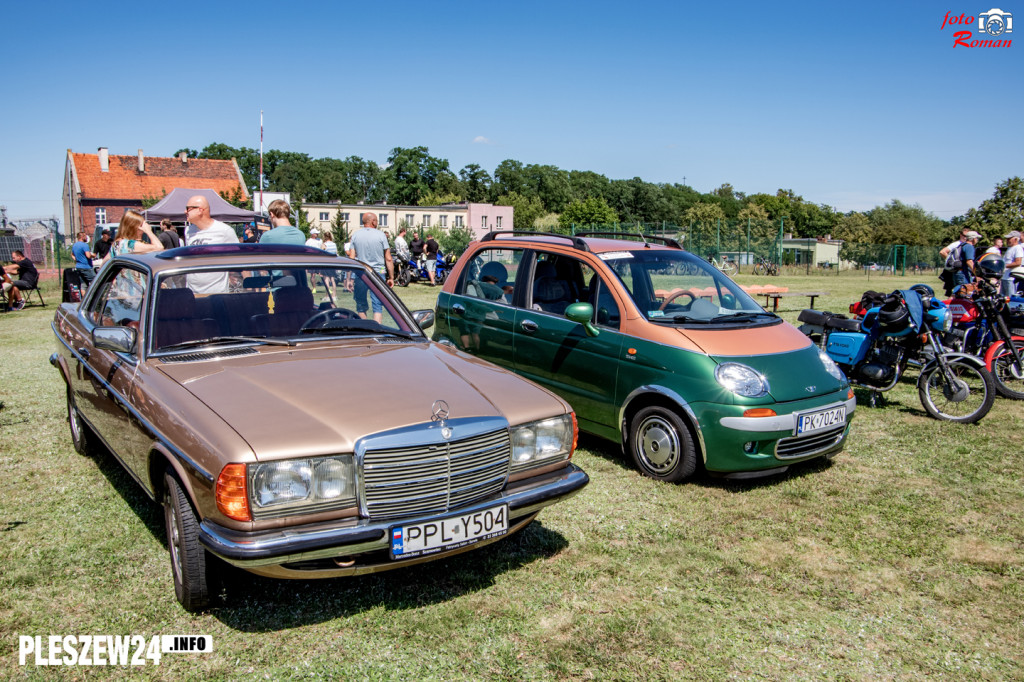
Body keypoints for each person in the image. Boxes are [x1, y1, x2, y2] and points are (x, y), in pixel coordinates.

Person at [183, 195, 238, 293]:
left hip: (217, 294)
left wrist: (248, 287)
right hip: (192, 294)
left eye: (188, 209)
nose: (185, 212)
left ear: (200, 210)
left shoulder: (224, 231)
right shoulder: (188, 231)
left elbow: (240, 259)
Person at [347, 212, 394, 323]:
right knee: (377, 304)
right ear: (373, 222)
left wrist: (349, 278)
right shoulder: (381, 235)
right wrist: (391, 277)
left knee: (360, 304)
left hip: (361, 272)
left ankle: (366, 328)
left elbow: (352, 258)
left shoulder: (355, 235)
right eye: (377, 220)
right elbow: (388, 258)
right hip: (378, 272)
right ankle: (377, 329)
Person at [939, 229, 981, 295]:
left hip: (957, 273)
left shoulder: (962, 245)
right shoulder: (969, 247)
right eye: (976, 238)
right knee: (964, 293)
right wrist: (976, 273)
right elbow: (969, 261)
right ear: (973, 239)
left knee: (957, 293)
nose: (977, 240)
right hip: (963, 274)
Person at [1002, 230, 1024, 296]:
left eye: (1009, 238)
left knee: (1010, 298)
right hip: (1005, 277)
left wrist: (1004, 266)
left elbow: (1018, 262)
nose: (1007, 240)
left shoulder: (1018, 248)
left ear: (1016, 239)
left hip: (1011, 278)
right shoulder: (1010, 248)